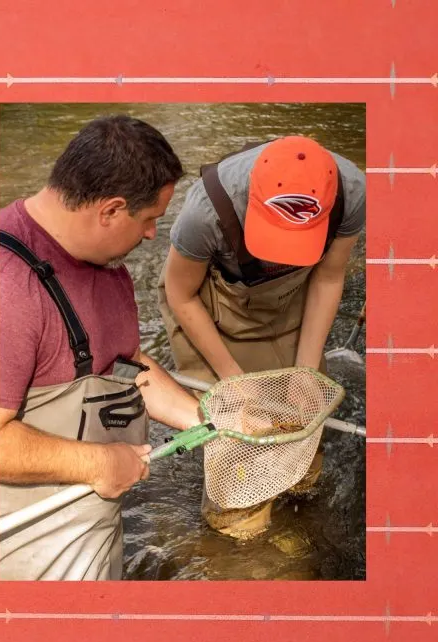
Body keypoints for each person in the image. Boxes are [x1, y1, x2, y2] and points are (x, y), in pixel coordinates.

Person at [0, 114, 202, 581]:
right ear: (110, 210)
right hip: (24, 550)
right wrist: (98, 461)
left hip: (91, 533)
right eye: (149, 219)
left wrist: (208, 418)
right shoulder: (6, 289)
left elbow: (126, 369)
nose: (152, 234)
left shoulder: (109, 267)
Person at [157, 135, 366, 539]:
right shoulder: (206, 211)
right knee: (241, 434)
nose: (281, 256)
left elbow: (328, 276)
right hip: (213, 304)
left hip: (293, 296)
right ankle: (240, 538)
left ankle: (299, 505)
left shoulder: (352, 192)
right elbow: (179, 295)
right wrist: (236, 383)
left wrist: (305, 371)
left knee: (300, 415)